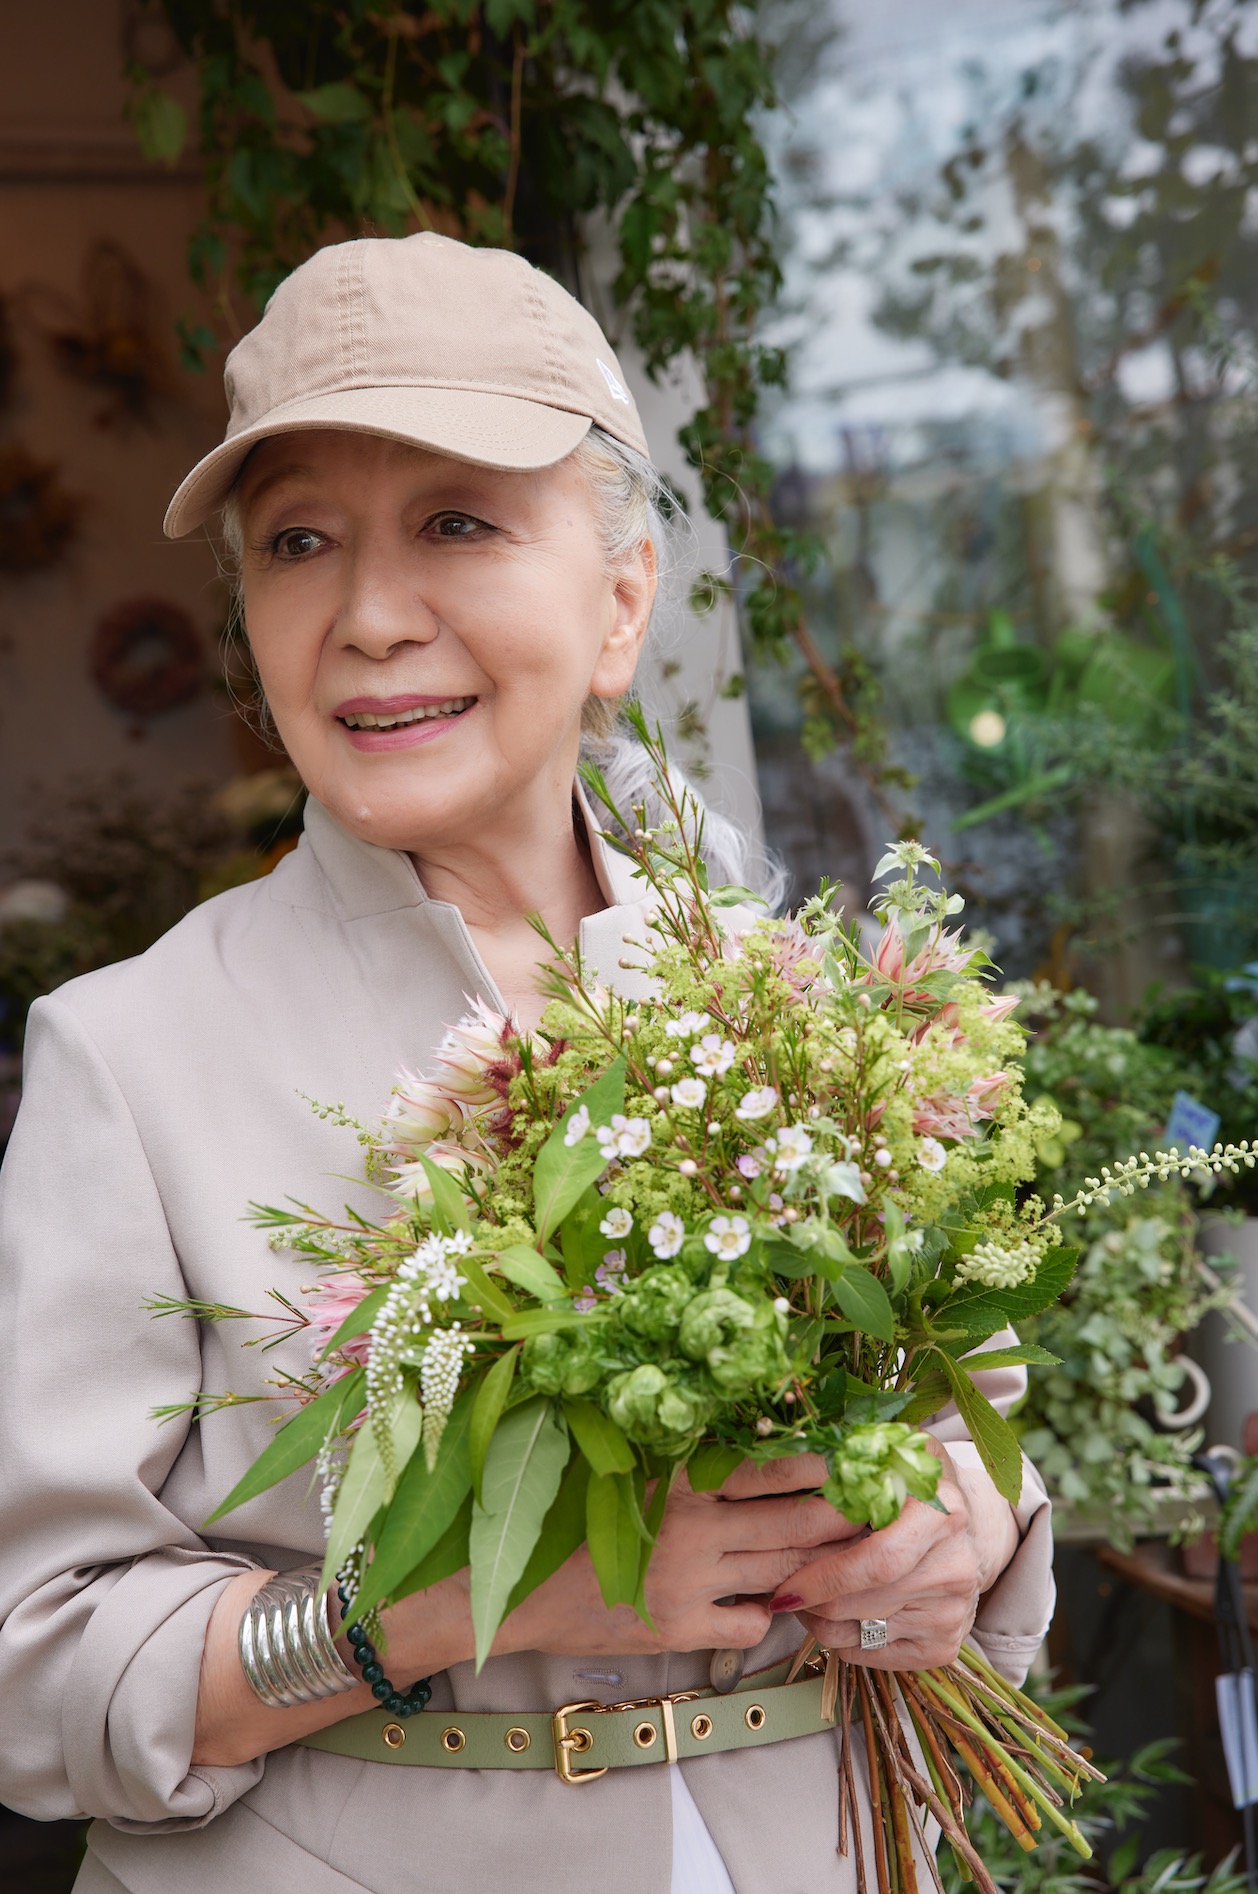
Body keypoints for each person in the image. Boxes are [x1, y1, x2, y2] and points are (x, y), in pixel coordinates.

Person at [0, 233, 1053, 1894]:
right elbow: (34, 1673)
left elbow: (960, 1426)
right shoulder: (128, 1059)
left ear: (622, 599)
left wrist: (958, 1538)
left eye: (457, 521)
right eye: (297, 544)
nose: (366, 615)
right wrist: (470, 1597)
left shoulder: (798, 992)